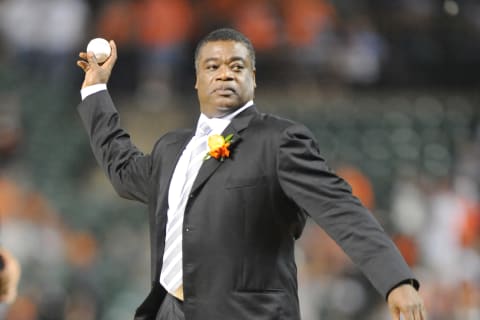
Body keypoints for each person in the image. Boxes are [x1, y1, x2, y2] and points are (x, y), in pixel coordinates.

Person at [76, 28, 426, 320]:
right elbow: (122, 169)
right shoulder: (171, 149)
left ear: (253, 79)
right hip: (169, 310)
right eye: (212, 66)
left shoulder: (278, 141)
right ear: (196, 80)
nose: (224, 73)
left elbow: (340, 207)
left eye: (236, 66)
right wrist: (95, 89)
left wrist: (395, 280)